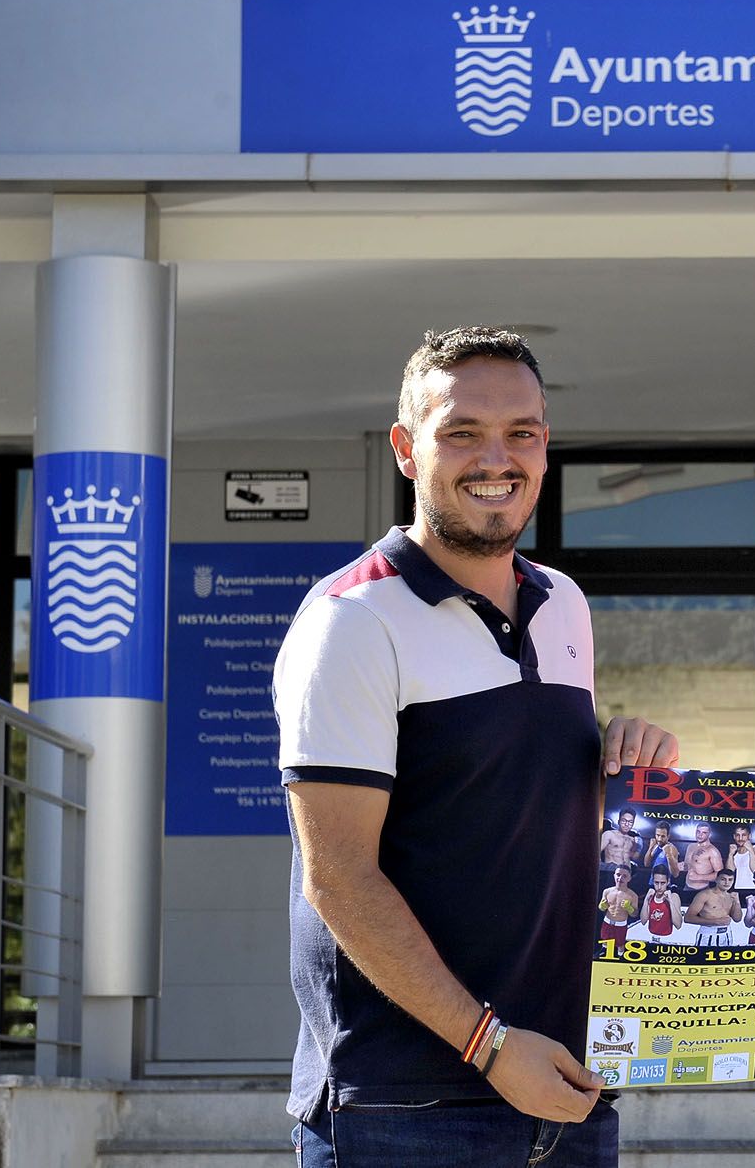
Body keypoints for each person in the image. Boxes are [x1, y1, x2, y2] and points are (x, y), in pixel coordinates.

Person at [275, 326, 680, 1168]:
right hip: (407, 1105)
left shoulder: (563, 602)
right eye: (462, 431)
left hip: (568, 1083)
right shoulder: (351, 622)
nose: (496, 457)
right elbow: (338, 877)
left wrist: (622, 772)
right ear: (406, 449)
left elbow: (514, 815)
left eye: (521, 432)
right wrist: (492, 1046)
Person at [685, 868, 744, 947]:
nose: (727, 883)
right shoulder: (704, 895)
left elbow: (737, 919)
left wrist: (737, 902)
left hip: (726, 935)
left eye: (730, 880)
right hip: (708, 934)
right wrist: (715, 922)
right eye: (723, 879)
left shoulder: (731, 897)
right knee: (703, 959)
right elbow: (688, 918)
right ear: (716, 880)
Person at [726, 826, 755, 906]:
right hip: (737, 891)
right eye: (737, 835)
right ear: (734, 837)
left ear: (750, 836)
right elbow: (729, 872)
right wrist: (730, 854)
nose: (740, 838)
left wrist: (751, 850)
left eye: (744, 835)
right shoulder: (734, 852)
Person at [639, 870, 684, 943]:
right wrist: (646, 900)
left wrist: (670, 902)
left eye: (662, 883)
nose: (659, 887)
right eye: (656, 883)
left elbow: (678, 925)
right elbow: (643, 921)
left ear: (668, 882)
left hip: (667, 939)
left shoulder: (673, 896)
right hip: (651, 937)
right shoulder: (651, 896)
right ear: (653, 881)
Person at [598, 864, 638, 945]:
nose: (620, 878)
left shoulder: (633, 896)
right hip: (607, 922)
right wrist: (602, 906)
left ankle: (620, 956)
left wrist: (629, 908)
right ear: (614, 875)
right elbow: (601, 908)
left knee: (620, 945)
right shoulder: (607, 891)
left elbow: (635, 914)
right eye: (618, 875)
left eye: (624, 876)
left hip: (621, 925)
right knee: (605, 943)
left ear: (629, 878)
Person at [681, 822, 724, 894]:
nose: (700, 835)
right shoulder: (690, 846)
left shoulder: (712, 851)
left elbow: (720, 875)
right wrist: (682, 867)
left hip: (702, 890)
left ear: (709, 835)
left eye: (704, 833)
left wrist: (699, 877)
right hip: (687, 887)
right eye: (698, 832)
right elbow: (687, 867)